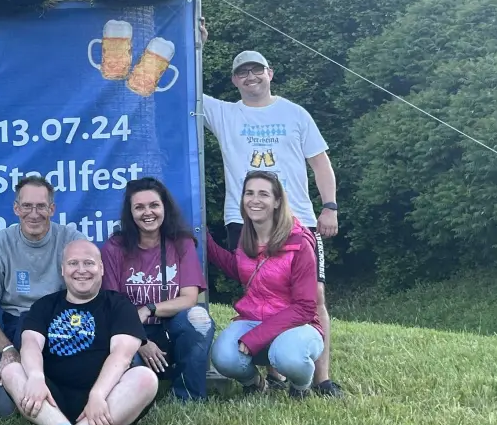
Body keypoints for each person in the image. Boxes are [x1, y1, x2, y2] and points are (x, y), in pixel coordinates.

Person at [199, 20, 343, 396]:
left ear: (270, 74)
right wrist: (194, 45)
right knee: (261, 292)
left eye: (256, 70)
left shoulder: (295, 113)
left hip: (299, 221)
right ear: (234, 81)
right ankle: (267, 373)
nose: (250, 77)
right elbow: (186, 91)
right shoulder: (226, 114)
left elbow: (321, 163)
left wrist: (329, 207)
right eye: (242, 72)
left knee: (315, 299)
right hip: (243, 219)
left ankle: (320, 379)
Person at [0, 241, 158, 425]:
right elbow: (31, 344)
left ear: (101, 268)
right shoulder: (44, 306)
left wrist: (98, 394)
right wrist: (35, 377)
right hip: (51, 398)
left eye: (88, 263)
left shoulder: (119, 305)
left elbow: (122, 355)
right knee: (11, 371)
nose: (81, 270)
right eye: (73, 263)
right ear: (62, 270)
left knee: (146, 378)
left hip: (107, 398)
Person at [0, 175, 81, 418]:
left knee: (69, 393)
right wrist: (8, 350)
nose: (34, 213)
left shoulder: (72, 240)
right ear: (16, 208)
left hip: (60, 324)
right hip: (14, 327)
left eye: (41, 206)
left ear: (52, 209)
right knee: (3, 409)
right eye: (27, 206)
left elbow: (90, 292)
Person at [208, 171, 325, 397]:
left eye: (263, 194)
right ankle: (254, 383)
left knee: (288, 357)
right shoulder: (247, 236)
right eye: (249, 193)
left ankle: (301, 386)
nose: (255, 200)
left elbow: (305, 307)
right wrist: (205, 241)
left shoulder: (299, 242)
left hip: (298, 325)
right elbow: (239, 269)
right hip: (252, 319)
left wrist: (256, 337)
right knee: (223, 356)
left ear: (277, 201)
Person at [100, 177, 215, 401]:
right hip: (130, 334)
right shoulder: (115, 247)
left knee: (199, 318)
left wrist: (148, 309)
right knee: (123, 370)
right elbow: (111, 305)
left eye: (154, 205)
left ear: (165, 208)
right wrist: (140, 341)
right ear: (130, 212)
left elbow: (189, 298)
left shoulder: (181, 242)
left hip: (171, 327)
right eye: (139, 207)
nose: (147, 212)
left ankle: (187, 397)